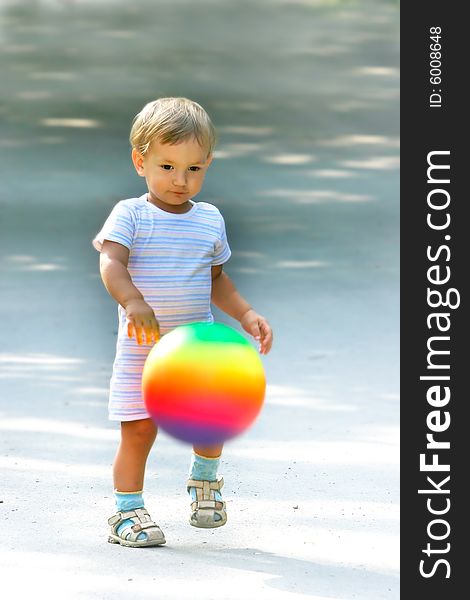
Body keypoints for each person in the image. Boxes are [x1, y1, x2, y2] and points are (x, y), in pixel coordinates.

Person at [92, 97, 273, 547]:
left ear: (208, 164)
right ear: (141, 161)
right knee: (138, 430)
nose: (180, 180)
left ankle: (205, 485)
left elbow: (217, 279)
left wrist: (246, 313)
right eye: (168, 166)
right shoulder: (131, 214)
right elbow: (111, 263)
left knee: (212, 419)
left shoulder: (209, 219)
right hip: (142, 348)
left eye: (194, 169)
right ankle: (126, 511)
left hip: (197, 349)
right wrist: (132, 300)